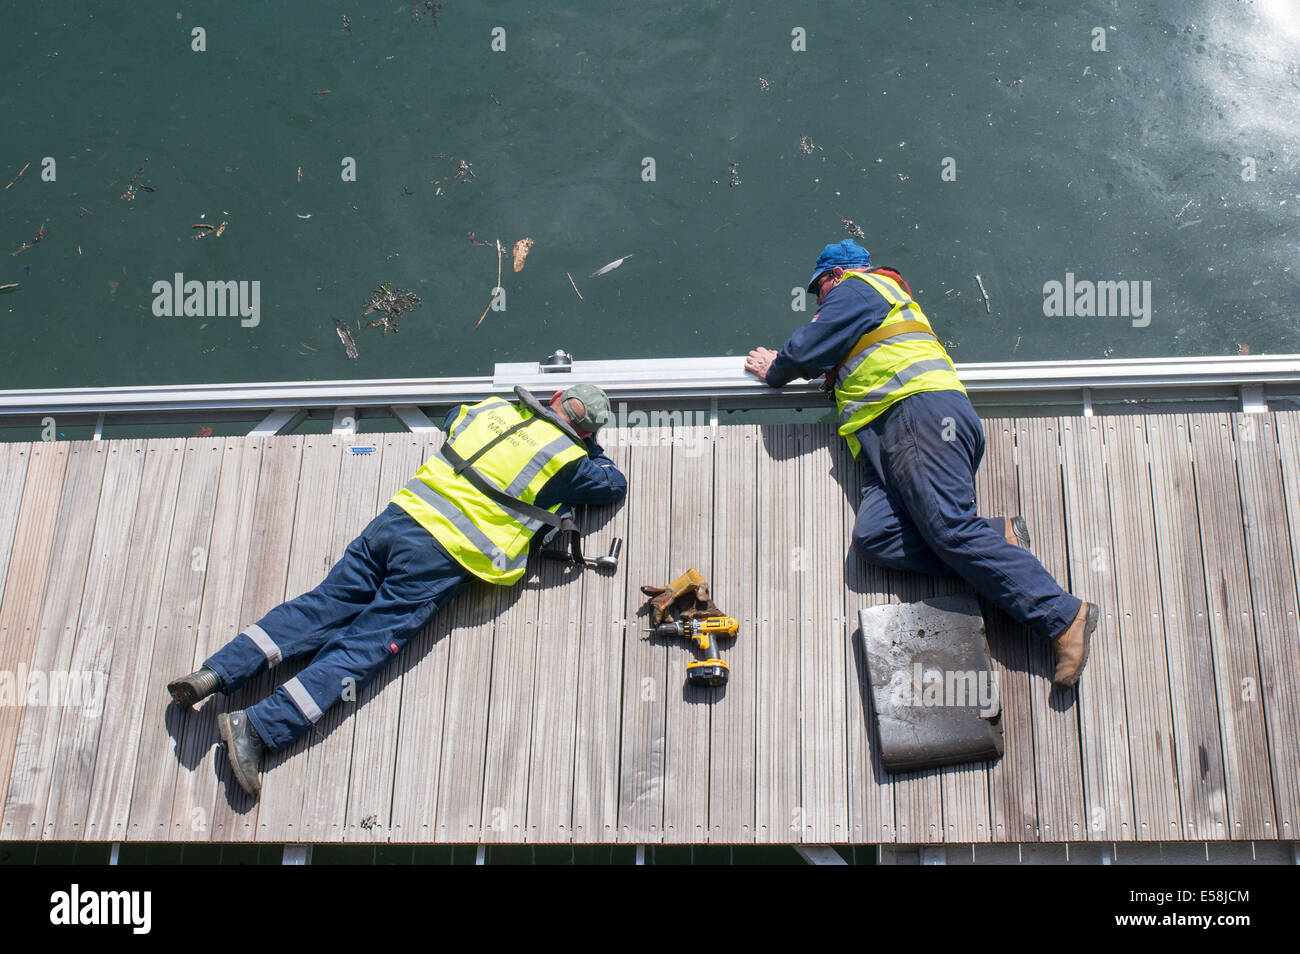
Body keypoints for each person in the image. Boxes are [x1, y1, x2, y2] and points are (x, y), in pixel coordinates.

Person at [167, 384, 626, 797]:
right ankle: (258, 728)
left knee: (320, 607)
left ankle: (214, 674)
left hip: (396, 523)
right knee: (362, 648)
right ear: (584, 433)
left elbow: (453, 419)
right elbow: (612, 484)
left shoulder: (493, 410)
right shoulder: (569, 463)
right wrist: (592, 451)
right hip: (442, 557)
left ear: (552, 400)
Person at [746, 240, 1098, 686]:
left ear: (836, 275)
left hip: (917, 417)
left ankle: (1061, 615)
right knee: (876, 538)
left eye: (820, 288)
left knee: (950, 529)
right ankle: (995, 537)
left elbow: (801, 350)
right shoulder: (878, 305)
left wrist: (775, 368)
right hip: (894, 436)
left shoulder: (858, 288)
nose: (819, 299)